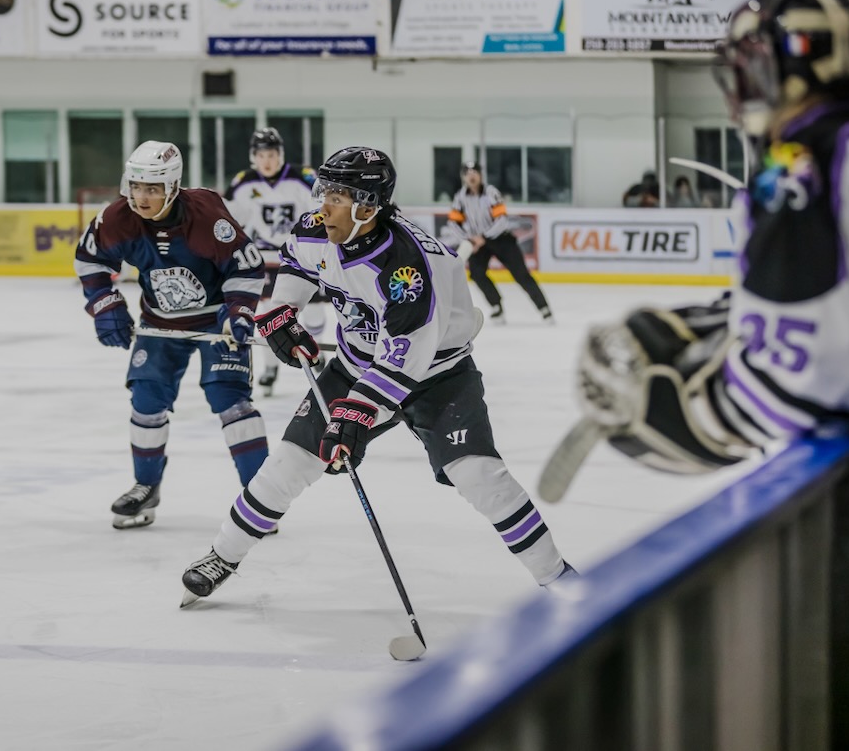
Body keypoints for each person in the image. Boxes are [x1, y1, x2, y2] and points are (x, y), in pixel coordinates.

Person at [575, 0, 849, 750]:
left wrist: (681, 409)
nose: (739, 88)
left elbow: (819, 381)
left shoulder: (807, 164)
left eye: (747, 67)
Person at [180, 148, 577, 606]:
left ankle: (559, 578)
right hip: (356, 364)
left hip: (439, 374)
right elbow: (296, 261)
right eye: (324, 192)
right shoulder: (317, 228)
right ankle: (222, 555)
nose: (323, 205)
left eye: (337, 197)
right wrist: (283, 310)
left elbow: (405, 357)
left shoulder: (406, 268)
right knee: (289, 463)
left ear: (367, 207)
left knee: (480, 476)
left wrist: (357, 413)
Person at [74, 142, 268, 530]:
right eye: (135, 187)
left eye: (152, 188)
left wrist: (239, 311)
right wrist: (105, 304)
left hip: (215, 320)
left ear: (173, 187)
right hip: (160, 321)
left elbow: (245, 268)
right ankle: (146, 486)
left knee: (229, 399)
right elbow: (90, 260)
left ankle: (263, 496)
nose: (141, 198)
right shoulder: (116, 218)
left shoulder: (207, 216)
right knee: (146, 398)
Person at [224, 128, 325, 396]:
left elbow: (321, 211)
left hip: (302, 254)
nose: (266, 161)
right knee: (270, 311)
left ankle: (318, 352)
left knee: (315, 310)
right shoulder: (243, 183)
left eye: (271, 154)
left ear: (280, 155)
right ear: (253, 157)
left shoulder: (304, 177)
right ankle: (270, 367)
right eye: (261, 155)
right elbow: (229, 219)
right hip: (266, 256)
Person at [441, 162, 553, 323]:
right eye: (468, 173)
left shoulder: (491, 193)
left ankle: (544, 308)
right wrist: (469, 239)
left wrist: (483, 237)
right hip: (477, 242)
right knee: (476, 273)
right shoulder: (460, 197)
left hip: (501, 239)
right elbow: (453, 223)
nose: (471, 176)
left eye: (474, 173)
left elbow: (502, 220)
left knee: (521, 274)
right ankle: (496, 305)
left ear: (480, 175)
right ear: (463, 177)